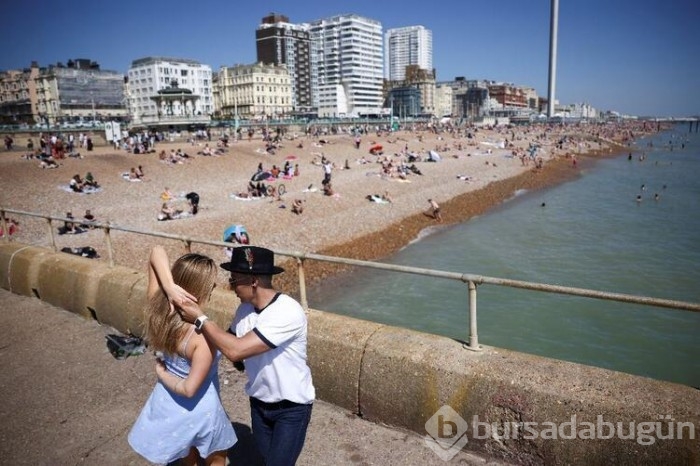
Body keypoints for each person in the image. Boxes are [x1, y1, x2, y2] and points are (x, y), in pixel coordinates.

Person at [177, 246, 315, 466]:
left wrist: (200, 319)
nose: (231, 287)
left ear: (253, 281)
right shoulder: (244, 311)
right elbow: (225, 345)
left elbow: (236, 350)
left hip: (291, 409)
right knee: (266, 460)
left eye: (234, 281)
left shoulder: (287, 312)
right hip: (259, 404)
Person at [128, 246, 236, 465]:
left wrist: (168, 287)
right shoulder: (201, 336)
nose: (214, 286)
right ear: (198, 289)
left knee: (189, 459)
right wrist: (161, 373)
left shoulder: (159, 311)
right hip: (203, 411)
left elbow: (156, 252)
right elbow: (189, 389)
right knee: (216, 459)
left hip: (170, 404)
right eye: (210, 283)